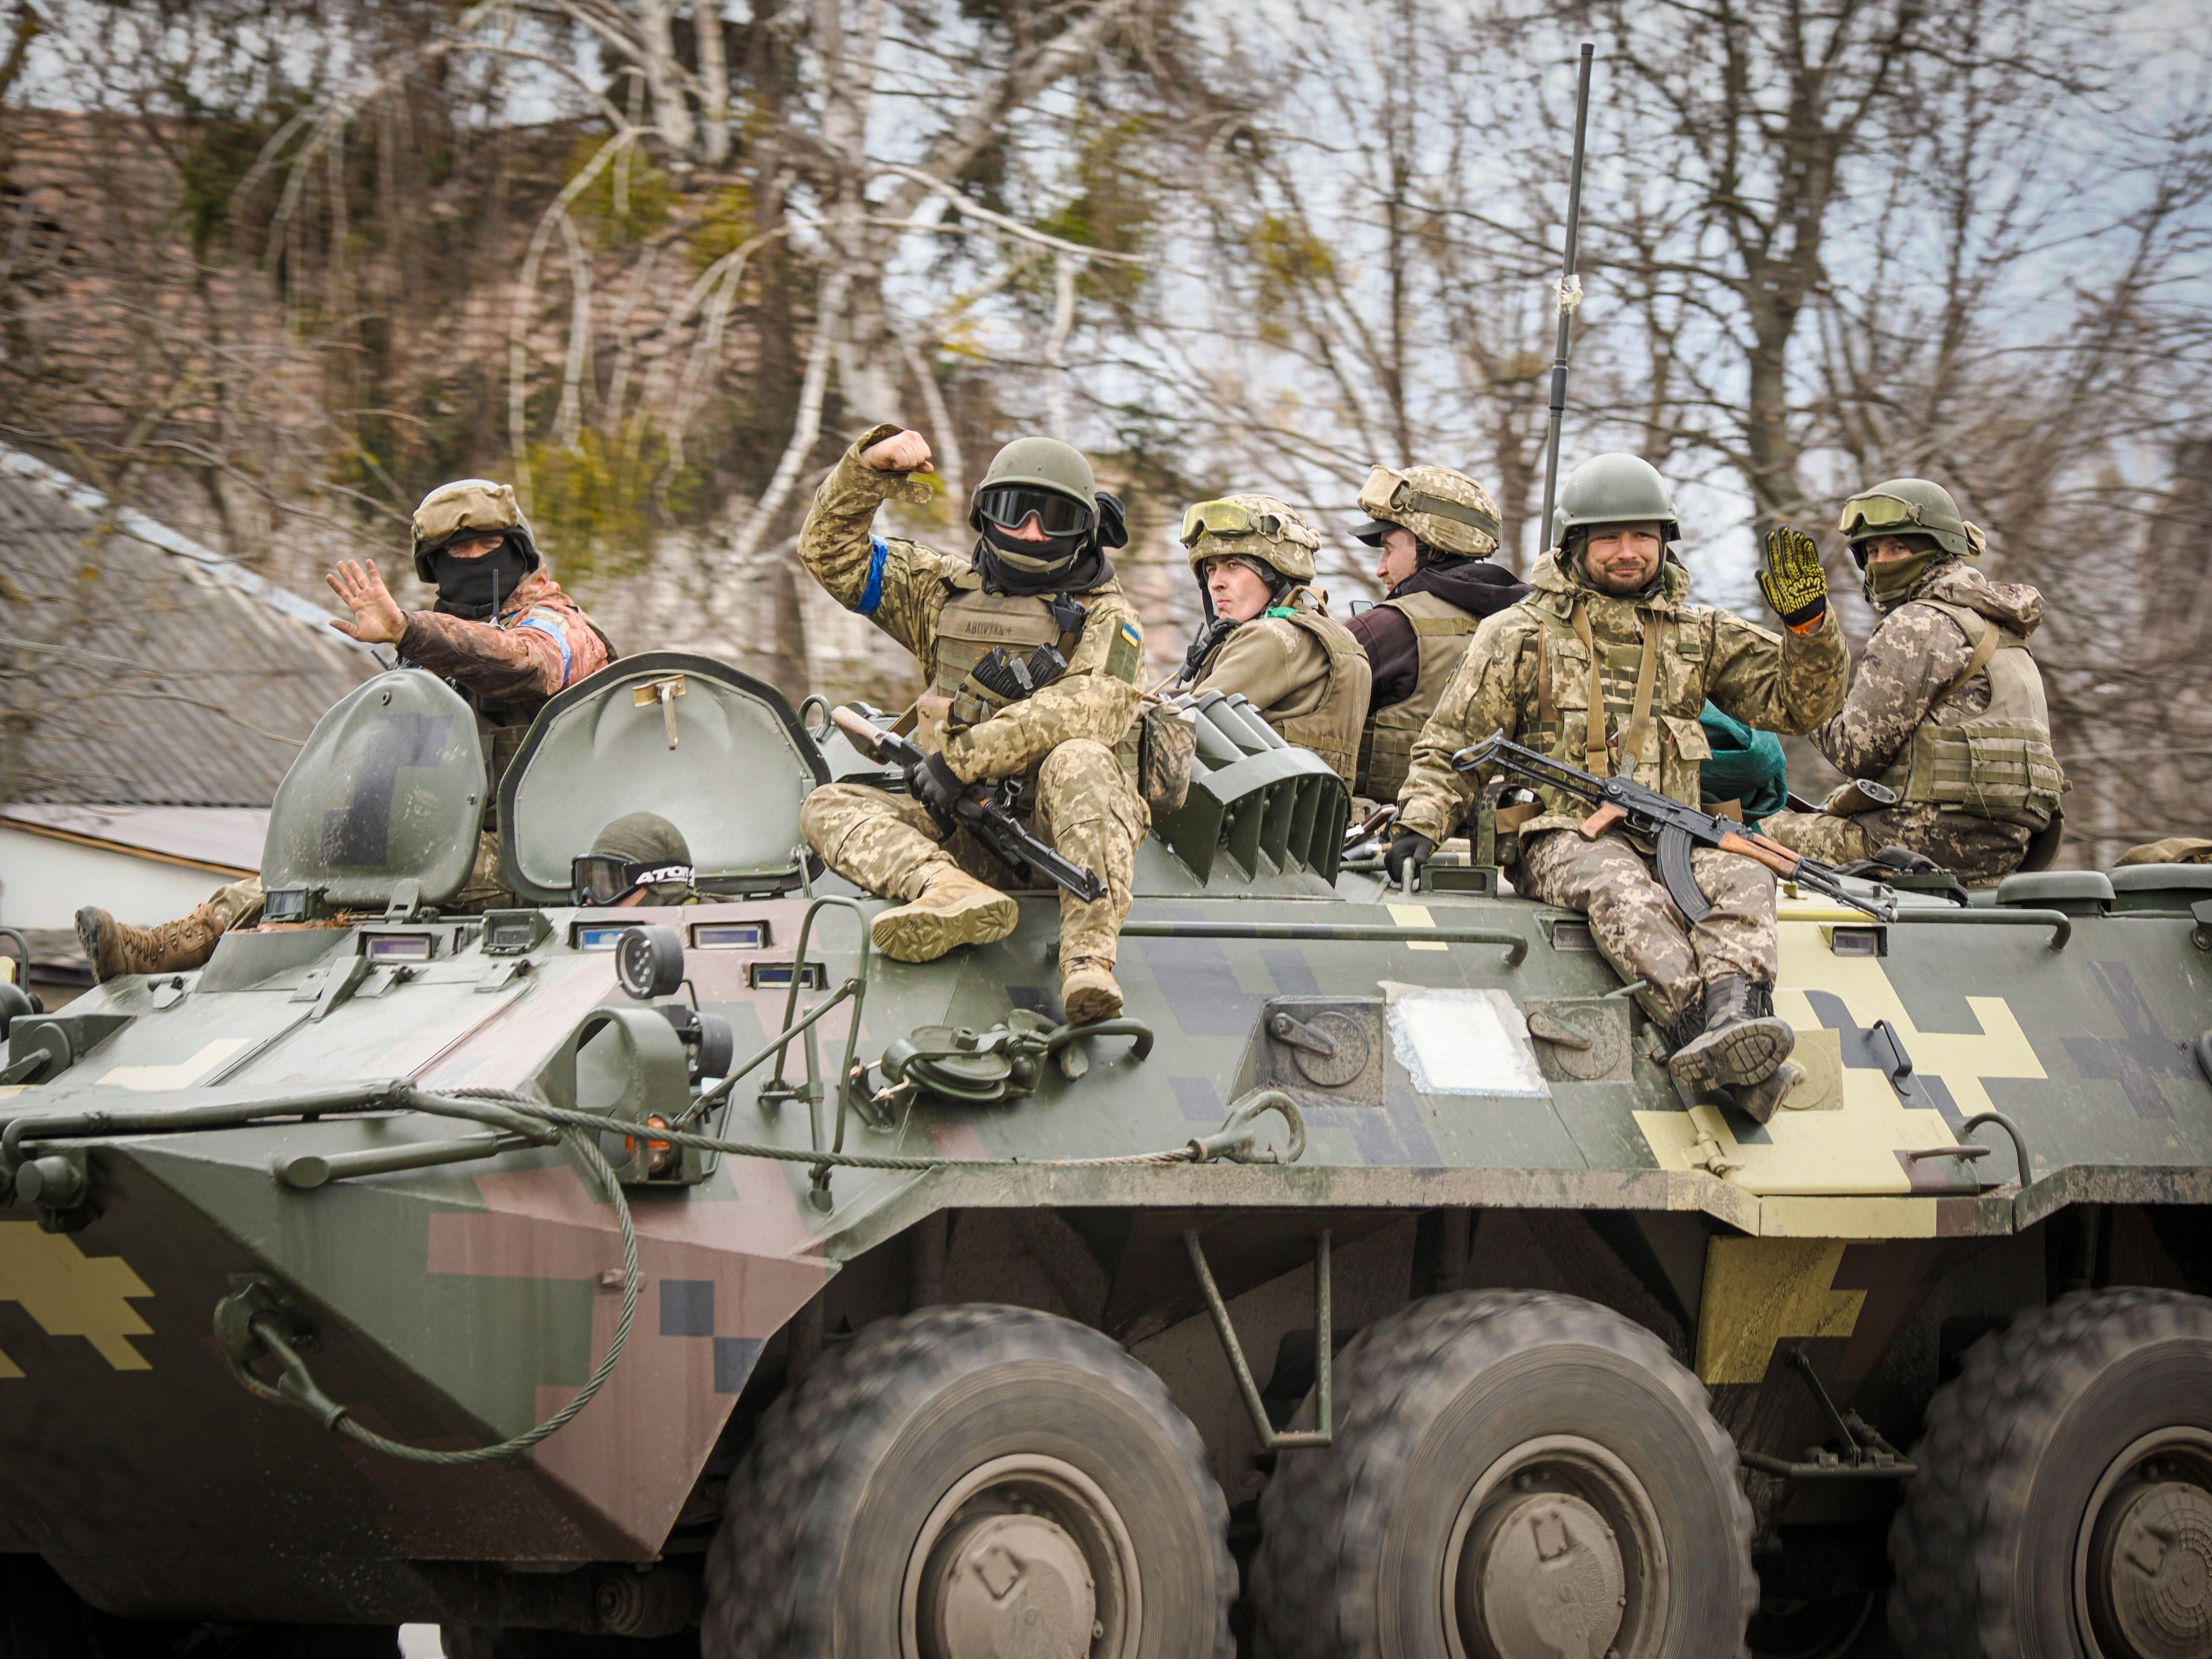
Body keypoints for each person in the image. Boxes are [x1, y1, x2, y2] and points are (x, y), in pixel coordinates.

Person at [1386, 453, 1848, 1120]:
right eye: (1610, 538)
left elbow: (1801, 706)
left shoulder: (1699, 634)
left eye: (1644, 537)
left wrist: (1809, 629)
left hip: (1678, 832)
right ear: (1575, 546)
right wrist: (1419, 824)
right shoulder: (1518, 634)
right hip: (1564, 834)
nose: (1629, 553)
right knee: (1619, 888)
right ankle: (1702, 1034)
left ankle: (1740, 1016)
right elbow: (1454, 743)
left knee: (1748, 875)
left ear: (1664, 543)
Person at [75, 480, 613, 980]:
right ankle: (162, 949)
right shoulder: (427, 664)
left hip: (539, 852)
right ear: (435, 565)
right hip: (452, 842)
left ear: (517, 551)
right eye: (456, 550)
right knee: (318, 867)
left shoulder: (559, 626)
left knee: (367, 874)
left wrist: (409, 630)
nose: (474, 558)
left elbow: (525, 662)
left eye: (487, 544)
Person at [795, 424, 1148, 1023]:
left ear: (1084, 530)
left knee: (1081, 757)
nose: (1033, 531)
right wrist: (868, 469)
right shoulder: (940, 592)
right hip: (956, 824)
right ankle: (948, 890)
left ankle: (1089, 959)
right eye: (1016, 511)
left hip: (1056, 836)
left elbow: (1086, 705)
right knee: (826, 807)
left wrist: (957, 760)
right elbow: (830, 551)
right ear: (986, 515)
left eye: (1054, 517)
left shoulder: (1108, 617)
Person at [1760, 479, 2063, 886]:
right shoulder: (2000, 627)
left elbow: (1856, 752)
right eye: (1871, 552)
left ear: (1935, 550)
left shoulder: (1916, 622)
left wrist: (1804, 685)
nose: (1881, 562)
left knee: (1742, 832)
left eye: (1897, 548)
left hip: (1920, 841)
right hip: (2009, 850)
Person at [1342, 464, 1528, 803]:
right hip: (1495, 844)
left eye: (1389, 549)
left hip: (1384, 843)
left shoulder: (1385, 629)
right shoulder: (1528, 626)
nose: (1380, 568)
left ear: (1433, 545)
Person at [1167, 494, 1371, 782]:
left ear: (1275, 571)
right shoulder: (1321, 632)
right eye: (1211, 569)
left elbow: (1181, 727)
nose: (1216, 583)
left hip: (1256, 819)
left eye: (1233, 565)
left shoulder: (1273, 638)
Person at [573, 813, 706, 907]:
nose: (590, 900)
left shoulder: (715, 937)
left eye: (610, 884)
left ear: (663, 885)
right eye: (590, 884)